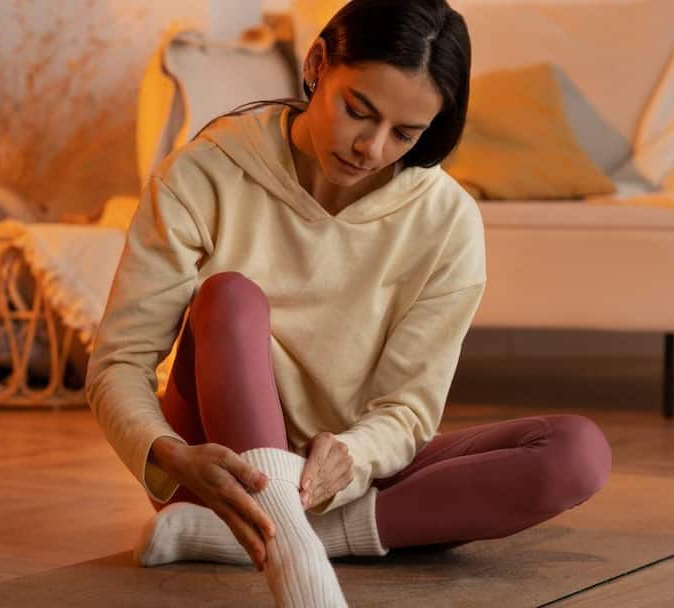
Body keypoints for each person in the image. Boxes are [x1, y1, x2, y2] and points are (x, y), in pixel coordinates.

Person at [85, 0, 612, 605]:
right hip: (221, 475)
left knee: (577, 453)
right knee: (229, 296)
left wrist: (353, 455)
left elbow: (407, 409)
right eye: (358, 111)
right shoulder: (203, 174)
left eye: (405, 134)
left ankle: (270, 539)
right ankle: (295, 565)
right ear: (317, 65)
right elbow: (119, 362)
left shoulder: (447, 220)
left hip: (341, 473)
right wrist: (170, 453)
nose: (372, 147)